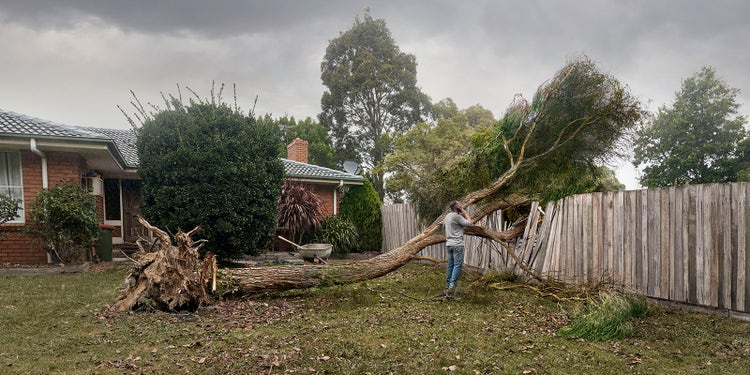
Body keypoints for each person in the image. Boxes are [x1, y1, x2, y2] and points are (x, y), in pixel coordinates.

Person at [443, 201, 473, 297]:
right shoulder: (457, 217)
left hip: (449, 244)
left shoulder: (447, 216)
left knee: (450, 265)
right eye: (460, 205)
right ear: (457, 207)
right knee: (457, 265)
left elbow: (447, 227)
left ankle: (448, 285)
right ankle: (452, 286)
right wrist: (465, 213)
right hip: (457, 244)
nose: (462, 206)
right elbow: (470, 224)